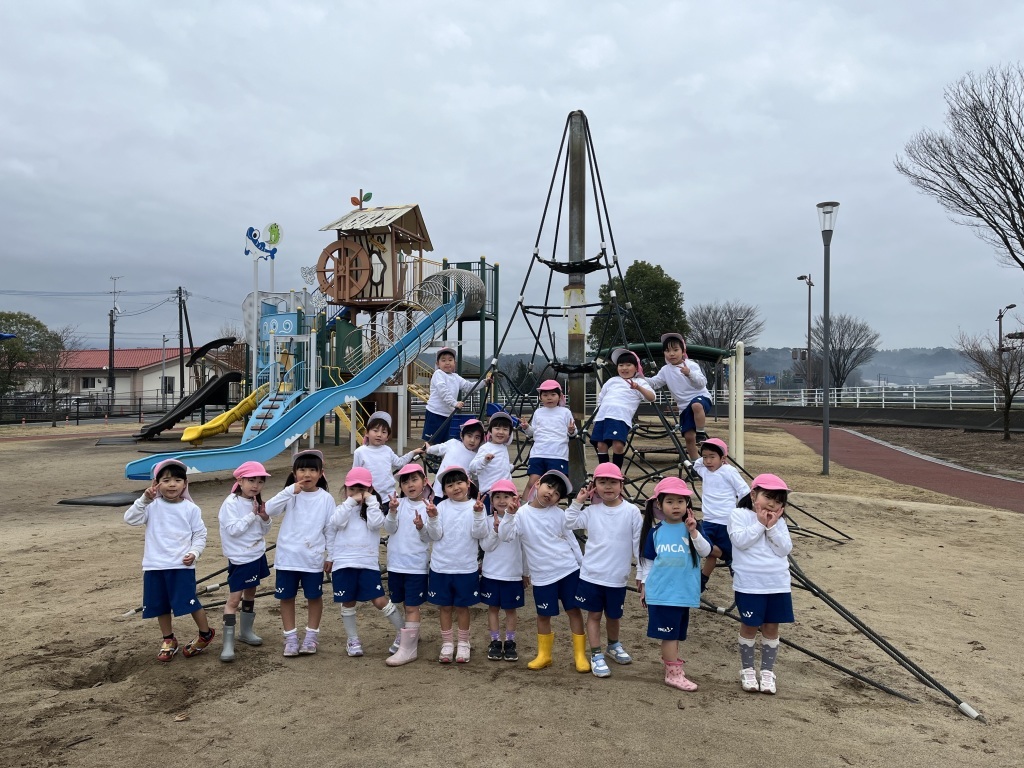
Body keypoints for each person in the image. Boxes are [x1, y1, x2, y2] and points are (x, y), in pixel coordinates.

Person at [498, 469, 590, 673]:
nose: (551, 493)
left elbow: (572, 541)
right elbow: (505, 536)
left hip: (567, 570)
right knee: (543, 615)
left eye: (557, 493)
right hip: (542, 575)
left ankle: (580, 655)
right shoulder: (521, 514)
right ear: (538, 483)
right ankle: (544, 655)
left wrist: (582, 567)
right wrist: (509, 515)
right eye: (549, 487)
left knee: (573, 611)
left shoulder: (559, 514)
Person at [124, 459, 214, 661]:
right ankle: (168, 639)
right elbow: (130, 519)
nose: (172, 484)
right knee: (160, 605)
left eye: (177, 480)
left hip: (181, 565)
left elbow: (200, 534)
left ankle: (205, 633)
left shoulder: (191, 509)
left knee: (190, 602)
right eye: (166, 480)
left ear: (185, 484)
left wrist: (195, 552)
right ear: (156, 484)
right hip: (154, 565)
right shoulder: (151, 506)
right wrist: (144, 500)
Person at [565, 462, 642, 678]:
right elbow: (568, 522)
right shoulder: (591, 511)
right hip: (592, 575)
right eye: (602, 482)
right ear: (594, 486)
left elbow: (638, 543)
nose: (608, 486)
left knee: (614, 615)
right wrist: (578, 501)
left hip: (617, 576)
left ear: (621, 485)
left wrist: (641, 572)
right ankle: (596, 653)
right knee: (594, 614)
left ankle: (613, 645)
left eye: (613, 482)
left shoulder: (632, 511)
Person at [636, 476, 710, 691]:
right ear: (659, 505)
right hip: (662, 593)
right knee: (669, 634)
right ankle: (673, 674)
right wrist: (645, 587)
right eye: (669, 501)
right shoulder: (655, 532)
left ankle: (673, 667)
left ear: (687, 503)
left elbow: (705, 551)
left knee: (675, 633)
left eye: (680, 501)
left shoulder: (693, 527)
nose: (675, 506)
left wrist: (693, 531)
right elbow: (649, 562)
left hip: (683, 592)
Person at [325, 467, 406, 658]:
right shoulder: (342, 508)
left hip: (367, 563)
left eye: (361, 489)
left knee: (379, 600)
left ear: (369, 489)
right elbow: (335, 523)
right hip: (343, 563)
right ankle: (353, 639)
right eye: (351, 489)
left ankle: (404, 632)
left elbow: (376, 524)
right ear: (345, 489)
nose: (356, 493)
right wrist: (350, 502)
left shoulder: (372, 509)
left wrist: (371, 501)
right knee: (348, 602)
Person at [728, 473, 794, 695]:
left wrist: (772, 527)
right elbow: (740, 542)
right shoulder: (738, 515)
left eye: (778, 500)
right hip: (750, 584)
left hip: (777, 583)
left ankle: (767, 672)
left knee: (771, 627)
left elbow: (784, 549)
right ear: (753, 494)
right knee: (749, 626)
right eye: (768, 497)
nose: (772, 504)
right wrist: (760, 524)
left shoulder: (779, 522)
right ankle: (747, 670)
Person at [265, 449, 333, 657]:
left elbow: (330, 529)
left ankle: (311, 636)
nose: (307, 474)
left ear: (320, 473)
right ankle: (291, 638)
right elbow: (269, 509)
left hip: (312, 559)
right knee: (286, 597)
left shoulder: (326, 498)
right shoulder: (290, 495)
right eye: (302, 470)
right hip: (287, 558)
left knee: (314, 597)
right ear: (294, 473)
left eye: (312, 470)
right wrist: (289, 491)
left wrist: (330, 555)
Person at [423, 466, 489, 663]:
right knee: (444, 607)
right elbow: (435, 535)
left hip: (465, 567)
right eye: (450, 485)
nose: (455, 488)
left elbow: (480, 534)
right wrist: (433, 517)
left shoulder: (476, 506)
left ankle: (463, 643)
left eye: (459, 483)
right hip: (441, 566)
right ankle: (447, 644)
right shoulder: (441, 507)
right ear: (444, 490)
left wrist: (479, 514)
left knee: (462, 607)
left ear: (468, 484)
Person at [217, 461, 273, 663]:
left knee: (251, 592)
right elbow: (234, 530)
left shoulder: (256, 502)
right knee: (234, 600)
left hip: (256, 554)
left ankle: (246, 631)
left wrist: (265, 518)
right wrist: (252, 515)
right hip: (240, 558)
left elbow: (264, 530)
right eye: (251, 480)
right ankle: (228, 643)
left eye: (260, 481)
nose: (256, 485)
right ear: (240, 481)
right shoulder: (231, 503)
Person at [383, 464, 434, 666]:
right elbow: (389, 529)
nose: (410, 485)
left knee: (412, 605)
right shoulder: (398, 504)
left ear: (424, 481)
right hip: (396, 564)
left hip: (416, 565)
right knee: (405, 603)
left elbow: (429, 537)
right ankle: (411, 635)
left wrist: (421, 526)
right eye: (405, 481)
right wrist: (392, 511)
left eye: (414, 479)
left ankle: (408, 649)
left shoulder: (429, 506)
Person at [684, 438, 749, 592]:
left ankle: (708, 579)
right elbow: (697, 464)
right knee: (706, 549)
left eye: (712, 457)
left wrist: (743, 512)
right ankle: (710, 572)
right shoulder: (705, 471)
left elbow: (744, 490)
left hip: (726, 521)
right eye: (705, 457)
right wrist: (704, 455)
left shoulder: (728, 471)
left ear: (723, 458)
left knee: (718, 553)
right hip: (708, 520)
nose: (707, 461)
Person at [478, 478, 526, 661]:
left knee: (511, 610)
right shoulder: (488, 520)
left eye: (507, 496)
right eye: (497, 496)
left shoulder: (519, 520)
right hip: (491, 573)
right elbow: (486, 547)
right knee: (493, 608)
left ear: (515, 499)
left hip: (513, 575)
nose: (502, 500)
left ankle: (510, 641)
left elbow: (524, 549)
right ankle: (495, 641)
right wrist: (495, 531)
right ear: (492, 500)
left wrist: (526, 573)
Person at [647, 332, 714, 460]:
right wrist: (639, 379)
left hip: (701, 397)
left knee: (696, 405)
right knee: (688, 437)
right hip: (684, 406)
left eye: (675, 350)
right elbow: (654, 383)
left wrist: (689, 373)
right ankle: (694, 463)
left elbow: (702, 383)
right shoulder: (665, 370)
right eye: (667, 351)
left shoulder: (691, 365)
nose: (671, 354)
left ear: (683, 351)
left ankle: (700, 432)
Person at [590, 348, 655, 468]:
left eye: (628, 365)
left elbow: (652, 397)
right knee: (601, 445)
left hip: (620, 417)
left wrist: (638, 388)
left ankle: (616, 472)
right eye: (621, 365)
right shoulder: (612, 381)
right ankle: (604, 472)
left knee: (618, 445)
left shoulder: (639, 382)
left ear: (636, 367)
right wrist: (596, 416)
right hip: (602, 416)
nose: (624, 368)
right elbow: (601, 398)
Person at [520, 379, 576, 500]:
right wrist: (526, 427)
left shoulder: (565, 412)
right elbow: (533, 433)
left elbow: (573, 433)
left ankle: (551, 509)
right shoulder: (538, 412)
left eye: (553, 394)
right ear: (540, 397)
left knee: (554, 486)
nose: (549, 398)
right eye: (545, 395)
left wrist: (571, 430)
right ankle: (523, 508)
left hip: (558, 454)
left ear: (560, 396)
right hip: (538, 453)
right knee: (533, 482)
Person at [422, 347, 491, 444]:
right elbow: (443, 391)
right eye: (443, 360)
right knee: (432, 441)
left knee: (444, 442)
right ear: (438, 364)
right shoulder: (438, 374)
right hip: (435, 413)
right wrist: (454, 403)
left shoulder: (455, 377)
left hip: (447, 415)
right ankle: (427, 453)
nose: (447, 363)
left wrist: (484, 383)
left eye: (450, 360)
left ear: (454, 363)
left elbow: (468, 386)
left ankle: (440, 454)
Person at [353, 411, 424, 501]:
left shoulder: (387, 450)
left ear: (387, 437)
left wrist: (413, 453)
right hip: (370, 497)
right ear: (367, 433)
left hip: (390, 497)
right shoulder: (360, 452)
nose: (379, 435)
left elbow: (399, 463)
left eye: (384, 432)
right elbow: (355, 475)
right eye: (375, 431)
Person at [423, 418, 485, 500]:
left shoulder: (477, 457)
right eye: (469, 436)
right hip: (440, 489)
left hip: (459, 492)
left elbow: (475, 476)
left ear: (481, 440)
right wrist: (429, 449)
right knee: (437, 505)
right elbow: (439, 448)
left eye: (477, 437)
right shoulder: (453, 443)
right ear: (461, 435)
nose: (472, 440)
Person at [468, 411, 515, 509]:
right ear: (490, 431)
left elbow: (498, 466)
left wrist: (508, 467)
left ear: (509, 434)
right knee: (488, 516)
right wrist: (484, 460)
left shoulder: (503, 447)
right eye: (497, 428)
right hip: (489, 492)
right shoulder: (486, 448)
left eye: (505, 429)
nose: (501, 432)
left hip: (505, 491)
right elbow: (472, 467)